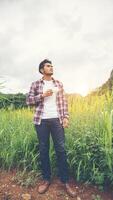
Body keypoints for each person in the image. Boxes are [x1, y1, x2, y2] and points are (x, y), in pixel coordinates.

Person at [26, 59, 77, 197]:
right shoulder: (35, 84)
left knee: (61, 149)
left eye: (52, 65)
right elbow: (28, 100)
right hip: (41, 120)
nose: (51, 67)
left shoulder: (58, 83)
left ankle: (65, 181)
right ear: (42, 69)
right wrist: (42, 95)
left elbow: (63, 101)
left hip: (56, 120)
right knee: (43, 149)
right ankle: (46, 179)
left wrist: (65, 116)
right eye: (48, 66)